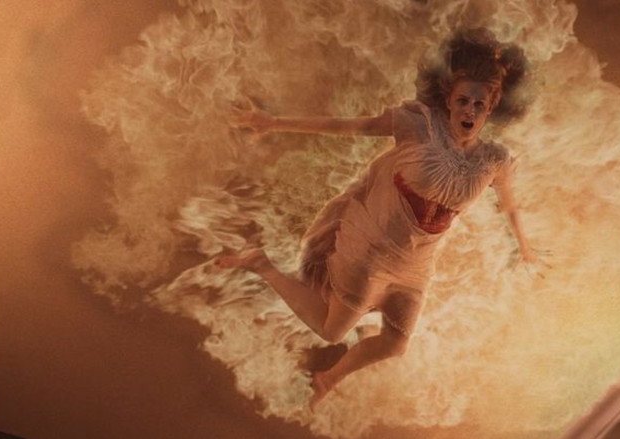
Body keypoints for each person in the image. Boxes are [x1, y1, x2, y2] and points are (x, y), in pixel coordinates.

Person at [216, 28, 548, 409]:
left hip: (415, 266)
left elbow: (509, 206)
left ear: (490, 109)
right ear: (448, 100)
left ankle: (327, 379)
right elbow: (351, 127)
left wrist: (524, 248)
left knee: (396, 343)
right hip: (370, 250)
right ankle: (261, 265)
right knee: (331, 331)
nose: (469, 111)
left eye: (478, 104)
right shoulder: (419, 126)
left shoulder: (495, 160)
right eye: (462, 101)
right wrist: (272, 122)